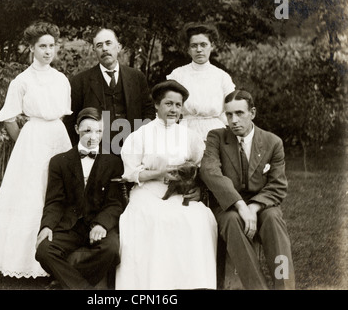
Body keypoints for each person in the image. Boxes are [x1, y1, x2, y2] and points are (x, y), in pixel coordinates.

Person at [0, 21, 72, 278]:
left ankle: (57, 255)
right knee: (31, 195)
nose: (47, 51)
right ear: (32, 48)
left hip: (58, 136)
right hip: (32, 139)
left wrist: (53, 136)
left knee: (57, 191)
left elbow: (61, 115)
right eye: (42, 46)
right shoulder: (22, 80)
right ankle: (24, 262)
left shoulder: (62, 79)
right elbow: (9, 117)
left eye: (51, 46)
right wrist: (24, 142)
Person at [115, 80, 218, 290]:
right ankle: (153, 285)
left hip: (180, 194)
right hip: (147, 191)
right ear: (156, 105)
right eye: (168, 104)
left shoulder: (190, 136)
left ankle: (193, 284)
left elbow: (200, 167)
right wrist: (159, 173)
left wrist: (196, 187)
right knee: (153, 219)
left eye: (178, 105)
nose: (173, 109)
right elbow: (131, 173)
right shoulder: (139, 135)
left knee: (199, 218)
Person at [200, 89, 295, 290]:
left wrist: (254, 207)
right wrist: (241, 206)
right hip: (228, 205)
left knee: (273, 222)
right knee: (233, 222)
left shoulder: (272, 142)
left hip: (262, 205)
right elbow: (210, 172)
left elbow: (277, 185)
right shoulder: (217, 137)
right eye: (229, 114)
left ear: (252, 113)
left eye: (239, 113)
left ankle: (284, 286)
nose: (233, 120)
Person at [35, 107, 124, 289]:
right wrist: (47, 226)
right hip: (71, 226)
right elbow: (54, 201)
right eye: (87, 131)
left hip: (98, 224)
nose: (93, 137)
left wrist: (102, 224)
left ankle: (63, 282)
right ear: (76, 130)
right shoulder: (59, 162)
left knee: (112, 249)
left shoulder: (114, 162)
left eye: (99, 131)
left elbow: (115, 203)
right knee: (44, 250)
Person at [64, 28, 155, 154]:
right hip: (97, 152)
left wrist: (141, 140)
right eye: (99, 45)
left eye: (108, 43)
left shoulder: (136, 77)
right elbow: (71, 121)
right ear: (94, 50)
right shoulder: (80, 81)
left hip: (132, 150)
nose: (105, 49)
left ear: (118, 47)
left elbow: (148, 111)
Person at [167, 22, 235, 140]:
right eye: (194, 45)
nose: (199, 50)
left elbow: (232, 108)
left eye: (203, 44)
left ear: (212, 46)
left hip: (216, 133)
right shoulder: (177, 75)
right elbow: (168, 108)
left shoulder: (222, 77)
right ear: (188, 49)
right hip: (185, 132)